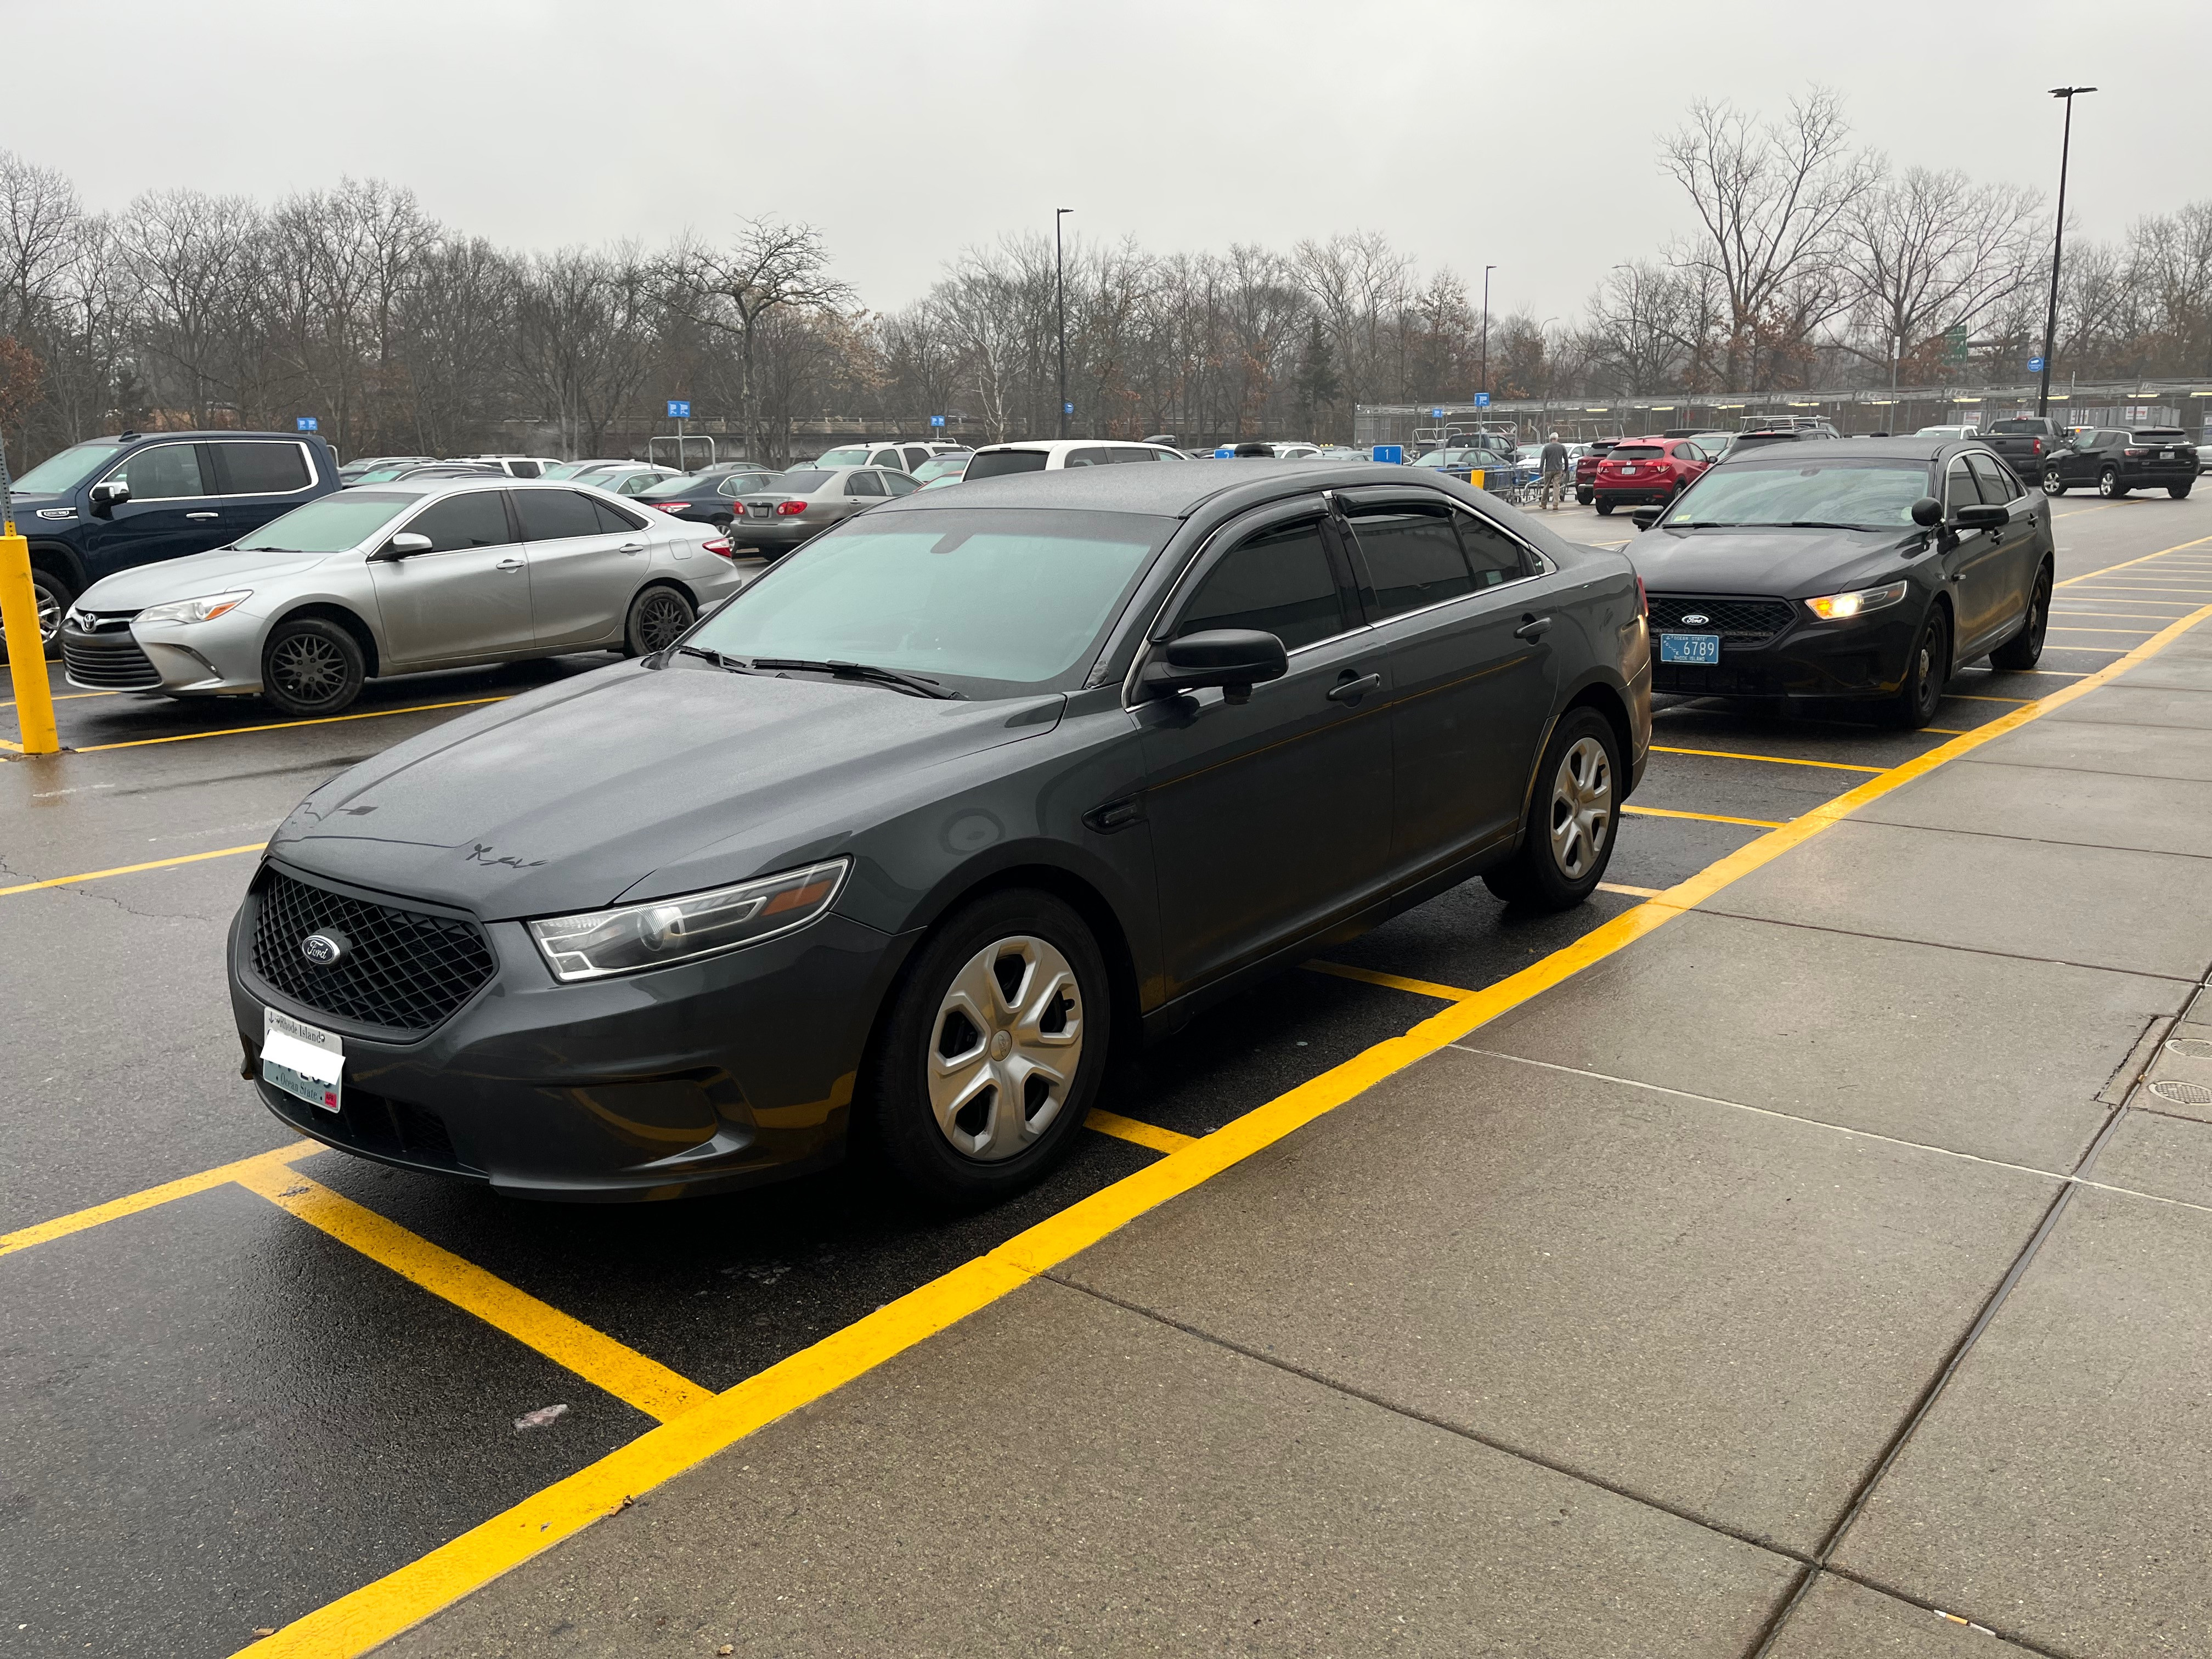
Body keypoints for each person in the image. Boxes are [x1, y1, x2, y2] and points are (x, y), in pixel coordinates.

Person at [1538, 431, 1570, 511]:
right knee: (1557, 487)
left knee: (1546, 486)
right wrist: (1566, 469)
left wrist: (1541, 470)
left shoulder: (1547, 447)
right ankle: (1555, 504)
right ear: (1557, 438)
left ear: (1550, 439)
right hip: (1558, 470)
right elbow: (1566, 459)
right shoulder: (1562, 447)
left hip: (1549, 470)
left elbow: (1543, 460)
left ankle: (1543, 504)